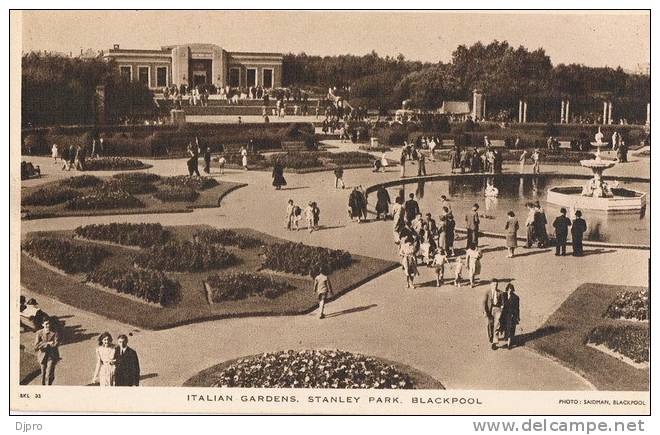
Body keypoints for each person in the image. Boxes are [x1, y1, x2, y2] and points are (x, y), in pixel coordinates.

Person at [34, 317, 60, 385]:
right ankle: (43, 386)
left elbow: (56, 344)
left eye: (49, 323)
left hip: (51, 356)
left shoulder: (54, 333)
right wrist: (47, 343)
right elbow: (36, 346)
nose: (48, 325)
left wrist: (52, 344)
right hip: (42, 356)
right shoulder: (39, 333)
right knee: (43, 374)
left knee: (48, 374)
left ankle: (49, 386)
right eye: (46, 324)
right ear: (42, 324)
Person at [483, 279, 504, 350]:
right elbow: (484, 303)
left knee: (496, 325)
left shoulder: (500, 292)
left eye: (496, 285)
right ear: (491, 285)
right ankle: (491, 336)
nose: (495, 286)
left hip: (497, 310)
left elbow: (502, 303)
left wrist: (501, 309)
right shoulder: (487, 292)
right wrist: (485, 311)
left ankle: (495, 342)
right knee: (490, 324)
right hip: (490, 310)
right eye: (494, 285)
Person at [502, 284, 520, 350]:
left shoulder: (516, 298)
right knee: (505, 328)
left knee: (511, 329)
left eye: (511, 290)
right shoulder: (503, 295)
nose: (510, 291)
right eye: (509, 289)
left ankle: (509, 344)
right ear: (507, 289)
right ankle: (506, 338)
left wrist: (517, 316)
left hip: (512, 315)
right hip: (504, 315)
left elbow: (517, 308)